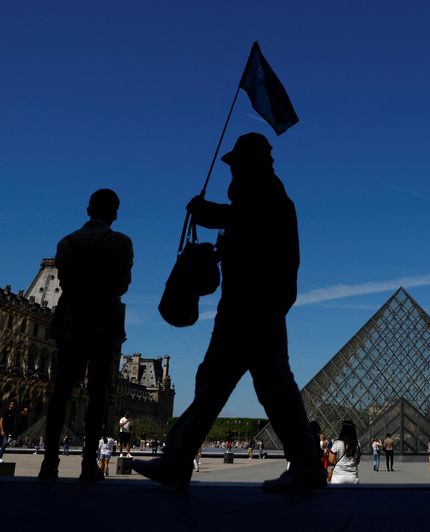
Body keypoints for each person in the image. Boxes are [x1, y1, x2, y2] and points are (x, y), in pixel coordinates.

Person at [133, 132, 324, 493]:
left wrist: (208, 214)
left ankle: (179, 459)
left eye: (236, 164)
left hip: (251, 304)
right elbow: (245, 228)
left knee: (235, 382)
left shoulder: (266, 196)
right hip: (256, 304)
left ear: (251, 163)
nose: (232, 172)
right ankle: (303, 464)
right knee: (244, 382)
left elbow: (245, 220)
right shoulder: (269, 197)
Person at [38, 189, 134, 481]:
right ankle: (87, 464)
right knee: (97, 394)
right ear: (114, 212)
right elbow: (123, 284)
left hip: (71, 318)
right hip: (103, 320)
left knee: (60, 392)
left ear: (88, 208)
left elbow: (65, 280)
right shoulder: (120, 242)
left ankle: (49, 463)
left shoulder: (66, 242)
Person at [329, 420, 360, 484]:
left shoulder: (337, 443)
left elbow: (331, 460)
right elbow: (357, 461)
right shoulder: (357, 444)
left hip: (338, 477)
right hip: (353, 477)